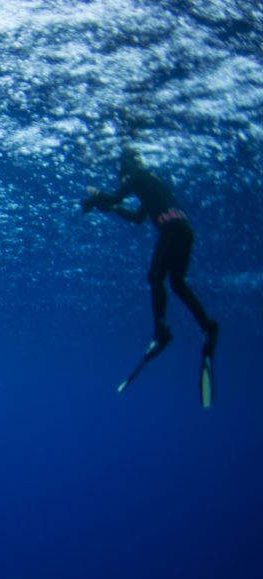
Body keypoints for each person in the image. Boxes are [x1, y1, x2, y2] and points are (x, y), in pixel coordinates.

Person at [83, 147, 219, 400]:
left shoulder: (137, 175)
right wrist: (109, 206)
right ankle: (208, 325)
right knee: (176, 282)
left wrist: (95, 197)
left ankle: (162, 331)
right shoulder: (152, 182)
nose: (124, 180)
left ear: (127, 168)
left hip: (171, 228)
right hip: (185, 229)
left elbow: (115, 196)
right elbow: (137, 217)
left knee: (155, 277)